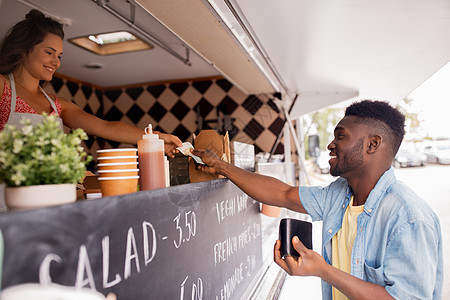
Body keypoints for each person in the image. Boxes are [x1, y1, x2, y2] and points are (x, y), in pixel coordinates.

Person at [192, 100, 443, 299]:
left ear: (372, 144)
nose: (330, 145)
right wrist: (221, 166)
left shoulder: (409, 218)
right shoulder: (340, 195)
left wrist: (323, 271)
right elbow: (283, 194)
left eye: (341, 136)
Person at [0, 9, 182, 157]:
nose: (56, 62)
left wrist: (155, 138)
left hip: (48, 196)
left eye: (59, 56)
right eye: (49, 52)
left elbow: (105, 127)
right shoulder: (3, 88)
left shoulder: (58, 105)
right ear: (23, 49)